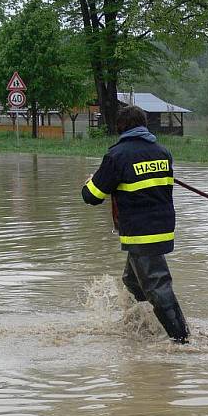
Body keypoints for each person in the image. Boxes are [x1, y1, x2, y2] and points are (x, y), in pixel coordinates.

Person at [82, 105, 189, 343]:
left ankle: (182, 341)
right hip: (162, 227)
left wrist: (92, 181)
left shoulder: (117, 155)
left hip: (140, 232)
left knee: (157, 285)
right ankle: (144, 326)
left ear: (120, 127)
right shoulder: (162, 152)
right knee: (132, 281)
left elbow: (92, 196)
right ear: (144, 125)